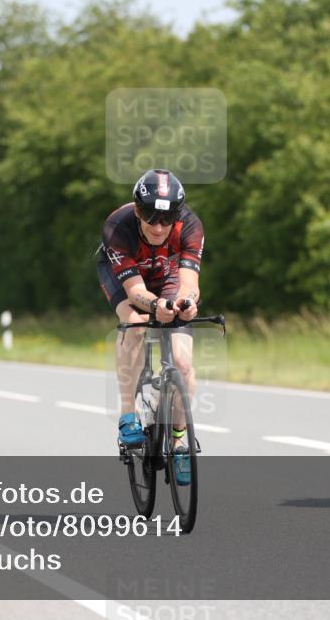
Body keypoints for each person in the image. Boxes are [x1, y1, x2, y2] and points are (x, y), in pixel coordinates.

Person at [97, 169, 204, 485]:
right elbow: (135, 293)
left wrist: (187, 303)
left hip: (168, 275)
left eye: (167, 218)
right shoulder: (118, 227)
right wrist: (156, 305)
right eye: (149, 216)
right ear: (136, 209)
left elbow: (189, 284)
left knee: (184, 365)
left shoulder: (191, 226)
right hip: (127, 277)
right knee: (136, 321)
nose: (158, 226)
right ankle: (128, 414)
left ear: (178, 214)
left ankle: (179, 440)